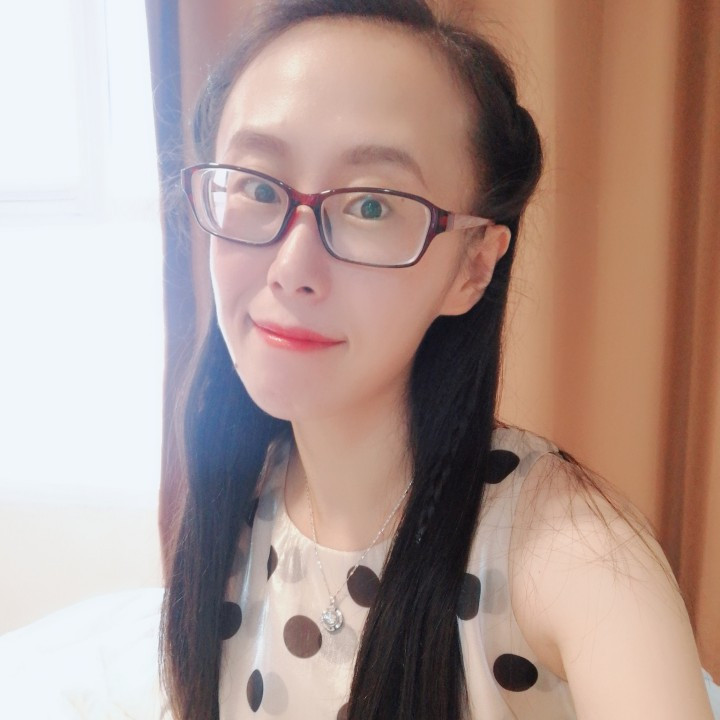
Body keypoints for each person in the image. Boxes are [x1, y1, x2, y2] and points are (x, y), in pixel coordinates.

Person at [162, 1, 717, 719]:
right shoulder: (236, 495)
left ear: (473, 266)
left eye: (371, 205)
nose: (292, 268)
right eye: (258, 187)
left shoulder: (569, 554)